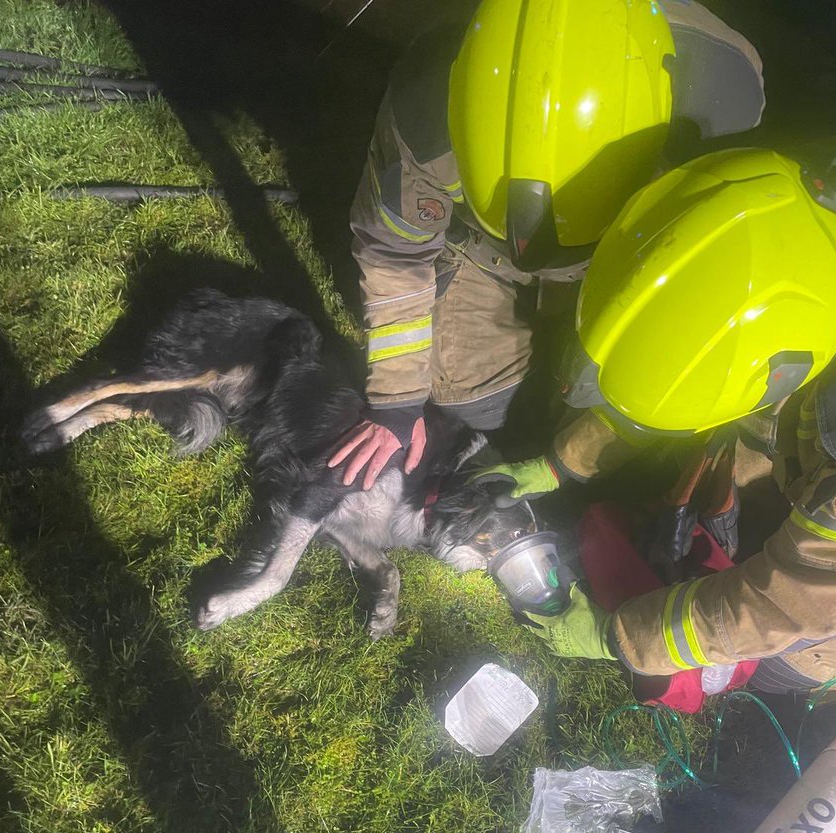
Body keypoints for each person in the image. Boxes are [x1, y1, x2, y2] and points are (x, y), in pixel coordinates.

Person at [328, 0, 765, 489]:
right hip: (479, 252)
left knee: (604, 392)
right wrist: (398, 400)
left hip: (620, 262)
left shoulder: (720, 106)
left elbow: (703, 283)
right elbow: (395, 255)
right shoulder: (426, 105)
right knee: (475, 409)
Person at [482, 145, 836, 694]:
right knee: (733, 519)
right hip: (818, 452)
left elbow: (779, 607)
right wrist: (558, 465)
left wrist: (620, 639)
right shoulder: (790, 231)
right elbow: (680, 384)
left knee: (779, 664)